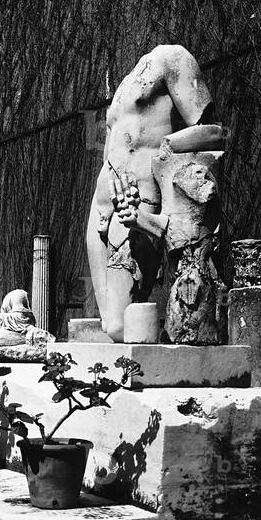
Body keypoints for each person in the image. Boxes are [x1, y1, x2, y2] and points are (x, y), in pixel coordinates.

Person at [86, 45, 225, 341]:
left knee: (121, 327)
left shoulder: (171, 58)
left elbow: (212, 133)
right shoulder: (125, 83)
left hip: (137, 204)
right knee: (110, 326)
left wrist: (163, 158)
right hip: (100, 208)